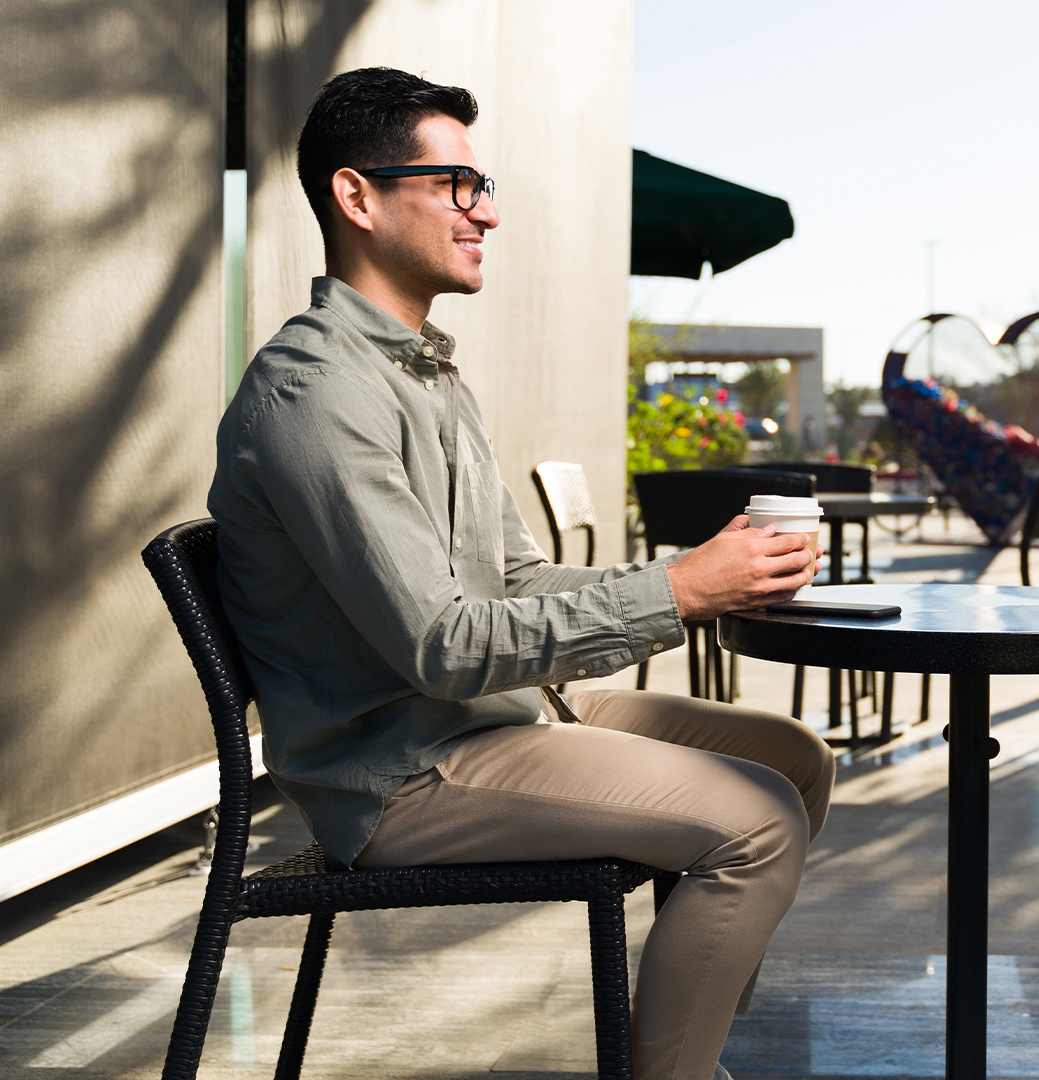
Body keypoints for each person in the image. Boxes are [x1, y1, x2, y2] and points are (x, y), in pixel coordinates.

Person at [207, 67, 834, 1080]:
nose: (487, 211)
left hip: (491, 721)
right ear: (357, 198)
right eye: (456, 184)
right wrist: (679, 595)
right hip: (401, 772)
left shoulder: (424, 373)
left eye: (484, 183)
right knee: (757, 823)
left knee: (796, 760)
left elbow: (512, 580)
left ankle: (688, 1044)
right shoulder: (313, 396)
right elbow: (446, 646)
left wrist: (699, 573)